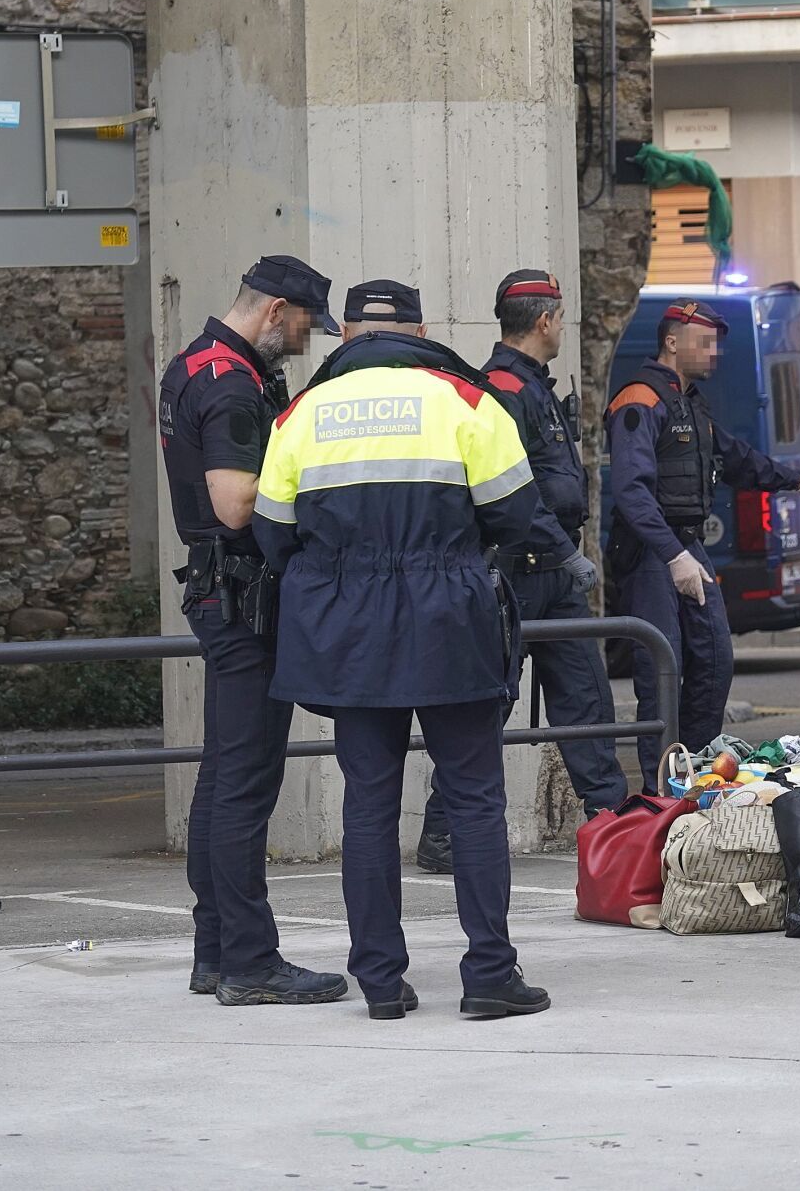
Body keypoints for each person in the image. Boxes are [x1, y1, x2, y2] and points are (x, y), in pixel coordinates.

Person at [255, 279, 546, 1021]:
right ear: (419, 332)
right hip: (451, 618)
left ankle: (381, 982)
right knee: (474, 800)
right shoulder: (469, 401)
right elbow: (518, 517)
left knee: (368, 805)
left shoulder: (301, 413)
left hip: (347, 631)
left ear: (348, 334)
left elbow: (273, 535)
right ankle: (490, 974)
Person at [159, 254, 347, 1007]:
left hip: (224, 593)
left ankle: (216, 952)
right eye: (303, 325)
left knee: (222, 778)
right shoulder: (233, 382)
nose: (305, 340)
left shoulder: (195, 364)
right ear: (274, 311)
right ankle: (249, 961)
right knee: (245, 781)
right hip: (244, 598)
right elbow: (236, 503)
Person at [413, 270, 626, 875]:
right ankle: (442, 833)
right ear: (545, 321)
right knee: (489, 706)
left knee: (586, 700)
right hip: (516, 571)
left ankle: (612, 824)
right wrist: (567, 553)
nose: (563, 327)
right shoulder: (504, 389)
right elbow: (511, 494)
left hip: (552, 570)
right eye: (561, 317)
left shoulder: (529, 385)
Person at [605, 299, 800, 784]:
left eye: (716, 344)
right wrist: (672, 555)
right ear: (672, 342)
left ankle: (696, 772)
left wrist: (798, 482)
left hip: (686, 546)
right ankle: (662, 788)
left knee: (714, 658)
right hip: (652, 551)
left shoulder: (689, 402)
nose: (715, 353)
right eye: (705, 342)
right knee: (661, 669)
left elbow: (737, 458)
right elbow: (631, 492)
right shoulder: (640, 399)